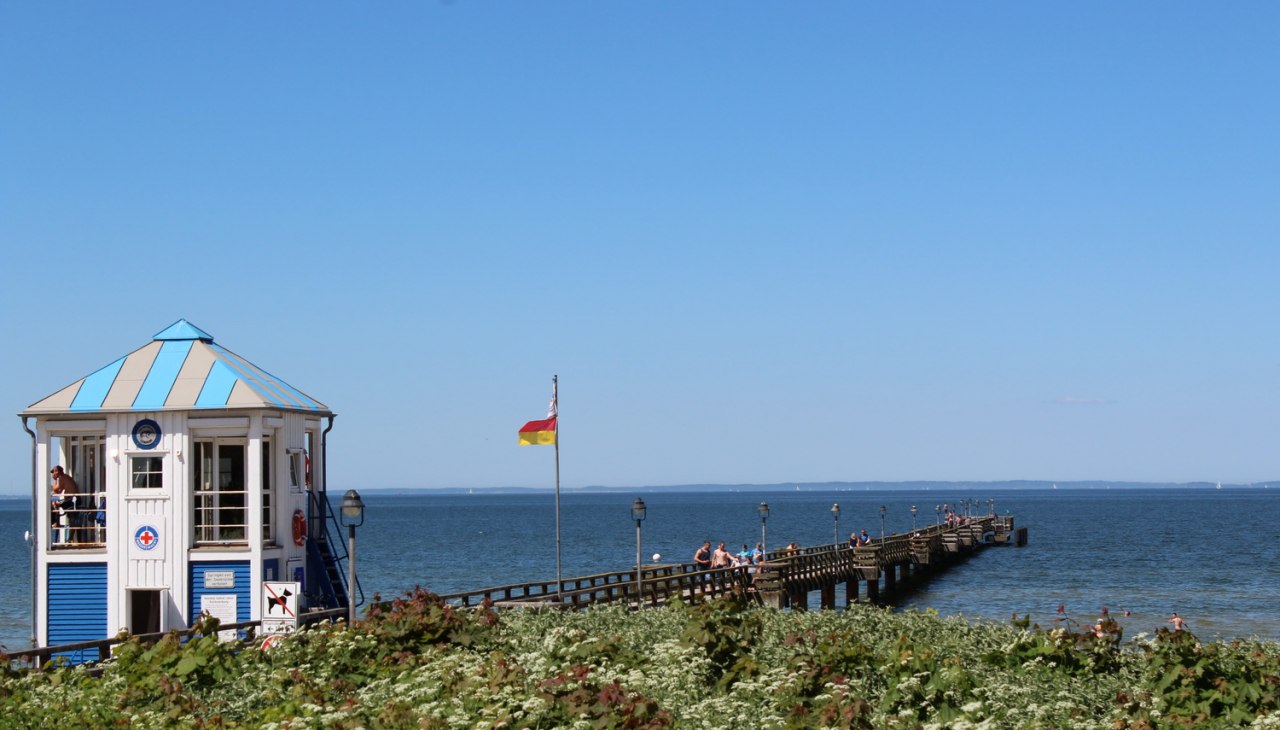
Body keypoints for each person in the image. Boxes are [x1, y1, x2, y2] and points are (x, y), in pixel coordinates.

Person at [50, 466, 80, 543]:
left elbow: (56, 490)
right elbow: (59, 491)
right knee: (72, 520)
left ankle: (55, 522)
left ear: (57, 472)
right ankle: (57, 523)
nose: (53, 474)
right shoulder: (65, 477)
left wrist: (55, 480)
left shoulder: (61, 478)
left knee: (54, 504)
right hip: (74, 499)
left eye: (53, 472)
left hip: (71, 500)